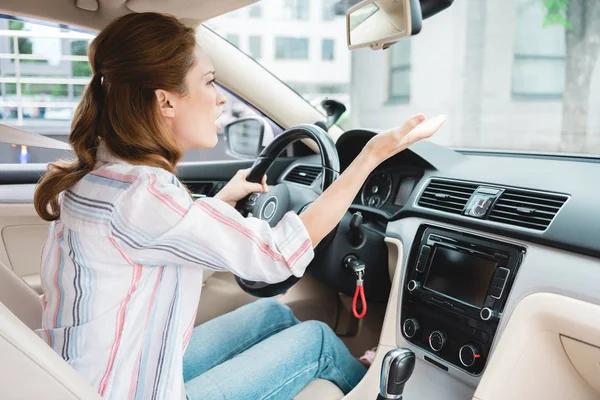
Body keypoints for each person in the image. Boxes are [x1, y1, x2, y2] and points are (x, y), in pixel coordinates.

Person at [32, 12, 445, 400]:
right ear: (166, 102)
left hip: (94, 379)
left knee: (273, 316)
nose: (220, 99)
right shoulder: (146, 195)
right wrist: (370, 156)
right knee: (317, 341)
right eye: (210, 82)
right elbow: (279, 255)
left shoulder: (104, 177)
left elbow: (158, 232)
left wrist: (219, 203)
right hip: (130, 390)